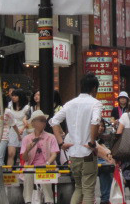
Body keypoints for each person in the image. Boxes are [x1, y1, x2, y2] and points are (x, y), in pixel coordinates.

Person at [50, 74, 102, 204]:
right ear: (94, 88)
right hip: (87, 152)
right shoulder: (95, 103)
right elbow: (95, 121)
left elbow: (53, 121)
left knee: (78, 187)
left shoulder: (69, 104)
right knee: (88, 189)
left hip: (73, 153)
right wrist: (91, 142)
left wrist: (61, 143)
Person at [20, 110, 59, 204]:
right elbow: (24, 158)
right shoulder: (27, 139)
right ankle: (28, 200)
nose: (44, 123)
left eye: (44, 120)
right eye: (41, 120)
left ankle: (48, 201)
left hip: (46, 165)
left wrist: (47, 163)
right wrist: (28, 150)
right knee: (28, 171)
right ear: (33, 123)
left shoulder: (51, 137)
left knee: (44, 170)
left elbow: (54, 154)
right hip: (31, 166)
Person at [5, 89, 29, 166]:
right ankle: (9, 172)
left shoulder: (27, 107)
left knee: (23, 154)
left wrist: (22, 130)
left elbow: (27, 120)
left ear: (20, 96)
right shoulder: (10, 106)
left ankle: (23, 171)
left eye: (15, 96)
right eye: (13, 96)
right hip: (12, 130)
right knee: (10, 153)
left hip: (24, 130)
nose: (13, 97)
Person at [96, 120, 115, 204]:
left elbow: (103, 149)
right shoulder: (90, 136)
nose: (101, 128)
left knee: (106, 168)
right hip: (87, 162)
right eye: (99, 126)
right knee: (105, 167)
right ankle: (105, 198)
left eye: (102, 126)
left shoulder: (101, 138)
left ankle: (106, 198)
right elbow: (99, 150)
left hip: (100, 161)